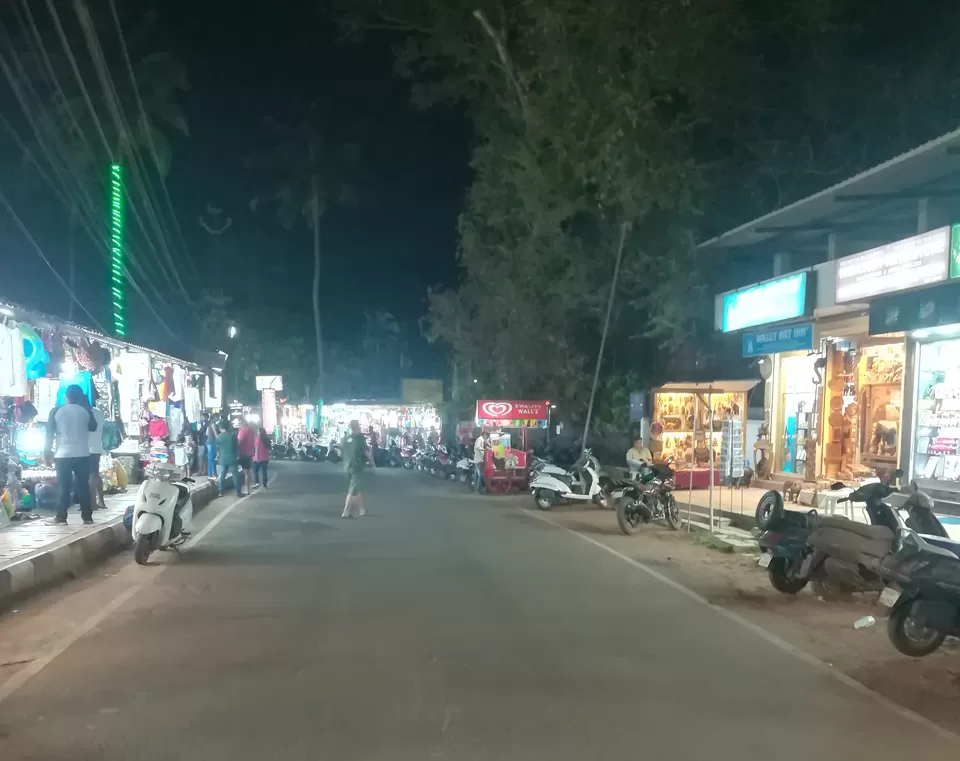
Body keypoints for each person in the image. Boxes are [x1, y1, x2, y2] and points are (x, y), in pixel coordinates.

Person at [45, 384, 97, 525]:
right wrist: (87, 409)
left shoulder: (56, 411)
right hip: (83, 453)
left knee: (64, 486)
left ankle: (61, 517)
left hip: (63, 454)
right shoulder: (85, 411)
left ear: (66, 396)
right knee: (83, 486)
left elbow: (49, 434)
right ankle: (87, 517)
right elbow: (93, 427)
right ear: (80, 397)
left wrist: (47, 453)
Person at [341, 419, 372, 518]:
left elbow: (340, 453)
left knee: (356, 489)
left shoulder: (345, 439)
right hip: (356, 466)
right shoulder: (360, 439)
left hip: (347, 467)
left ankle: (362, 510)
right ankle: (345, 512)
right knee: (352, 490)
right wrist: (373, 463)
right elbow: (367, 453)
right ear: (358, 426)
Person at [88, 389, 106, 511]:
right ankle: (101, 500)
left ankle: (93, 503)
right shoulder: (100, 413)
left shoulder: (86, 412)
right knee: (95, 474)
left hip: (87, 447)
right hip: (97, 447)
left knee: (91, 476)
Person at [216, 424, 241, 498]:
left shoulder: (218, 437)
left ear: (220, 428)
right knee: (235, 475)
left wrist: (217, 457)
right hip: (232, 458)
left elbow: (218, 450)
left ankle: (220, 492)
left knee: (222, 475)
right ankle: (238, 492)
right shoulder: (232, 436)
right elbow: (237, 446)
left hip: (223, 459)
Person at [236, 422, 256, 495]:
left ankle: (244, 489)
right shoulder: (251, 431)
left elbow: (238, 442)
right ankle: (248, 489)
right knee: (248, 471)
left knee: (244, 472)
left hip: (243, 454)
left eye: (239, 424)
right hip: (249, 453)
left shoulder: (243, 431)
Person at [205, 414, 219, 478]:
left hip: (209, 442)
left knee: (212, 459)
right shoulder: (213, 424)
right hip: (212, 443)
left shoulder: (209, 424)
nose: (218, 418)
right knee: (211, 459)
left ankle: (213, 473)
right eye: (217, 417)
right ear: (214, 418)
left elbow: (207, 434)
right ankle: (210, 474)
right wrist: (218, 440)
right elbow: (216, 434)